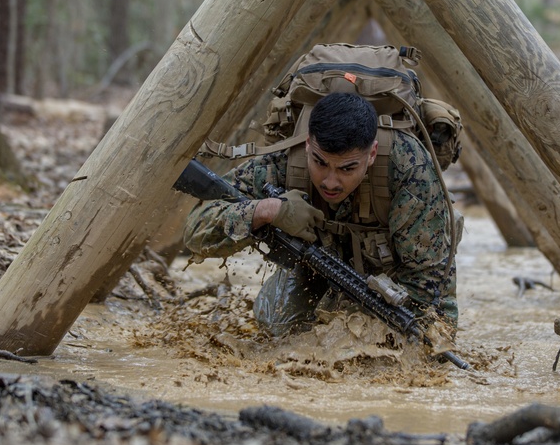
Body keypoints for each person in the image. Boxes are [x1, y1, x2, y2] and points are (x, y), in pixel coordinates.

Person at [183, 92, 458, 340]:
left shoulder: (411, 170)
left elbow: (431, 286)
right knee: (280, 330)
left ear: (372, 154)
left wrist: (430, 345)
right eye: (320, 162)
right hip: (315, 271)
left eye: (347, 169)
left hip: (392, 282)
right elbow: (196, 231)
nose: (330, 181)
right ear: (307, 144)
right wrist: (267, 210)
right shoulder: (283, 163)